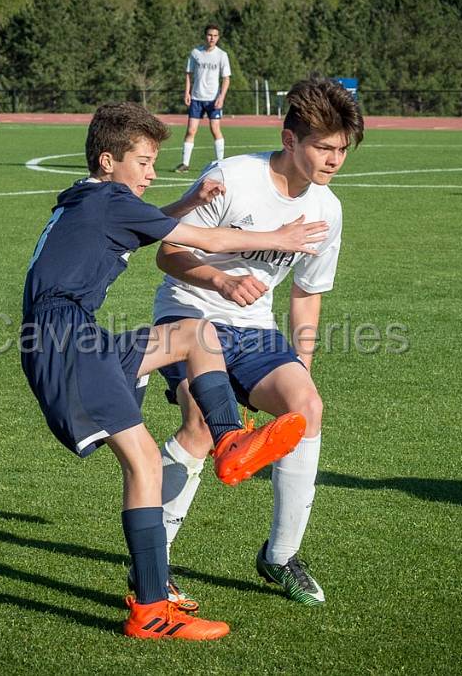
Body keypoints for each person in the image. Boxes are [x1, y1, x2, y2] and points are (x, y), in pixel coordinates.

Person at [20, 101, 329, 640]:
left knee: (196, 334)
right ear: (109, 160)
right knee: (141, 462)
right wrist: (277, 240)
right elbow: (197, 239)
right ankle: (151, 609)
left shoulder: (92, 197)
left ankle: (230, 438)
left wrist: (191, 198)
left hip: (73, 335)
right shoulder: (111, 199)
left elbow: (158, 223)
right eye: (143, 161)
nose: (151, 171)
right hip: (64, 339)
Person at [146, 77, 364, 609]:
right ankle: (154, 565)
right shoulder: (233, 178)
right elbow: (167, 253)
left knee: (305, 408)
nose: (335, 160)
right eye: (324, 147)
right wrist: (219, 280)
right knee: (200, 423)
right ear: (290, 140)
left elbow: (307, 295)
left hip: (257, 332)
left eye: (342, 149)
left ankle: (280, 556)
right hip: (190, 315)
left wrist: (302, 366)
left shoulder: (327, 211)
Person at [174, 24, 231, 173]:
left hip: (213, 99)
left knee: (215, 129)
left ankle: (220, 163)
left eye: (215, 36)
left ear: (218, 38)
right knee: (191, 131)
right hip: (197, 98)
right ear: (205, 36)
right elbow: (188, 74)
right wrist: (187, 92)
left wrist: (221, 97)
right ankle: (184, 164)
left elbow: (226, 79)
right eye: (209, 35)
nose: (212, 38)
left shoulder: (222, 55)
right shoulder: (195, 53)